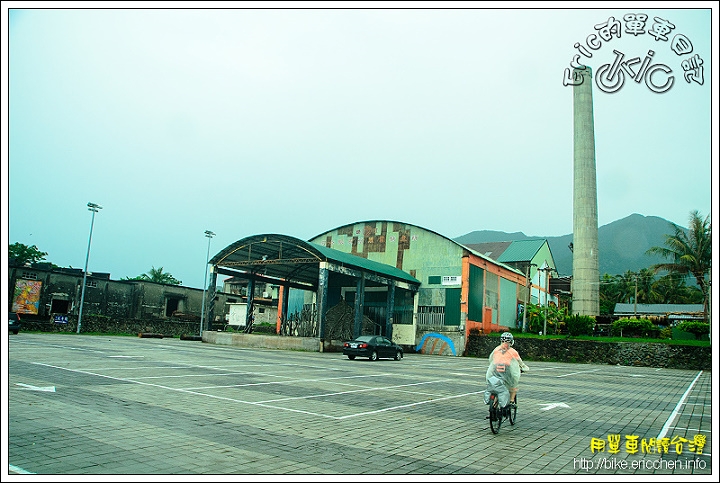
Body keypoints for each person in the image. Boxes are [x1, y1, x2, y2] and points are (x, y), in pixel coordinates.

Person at [486, 332, 529, 406]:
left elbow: (490, 359)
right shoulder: (513, 351)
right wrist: (524, 368)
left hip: (495, 370)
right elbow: (520, 362)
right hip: (507, 371)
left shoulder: (496, 349)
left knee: (496, 386)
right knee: (513, 385)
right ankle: (512, 401)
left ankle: (494, 406)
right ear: (511, 342)